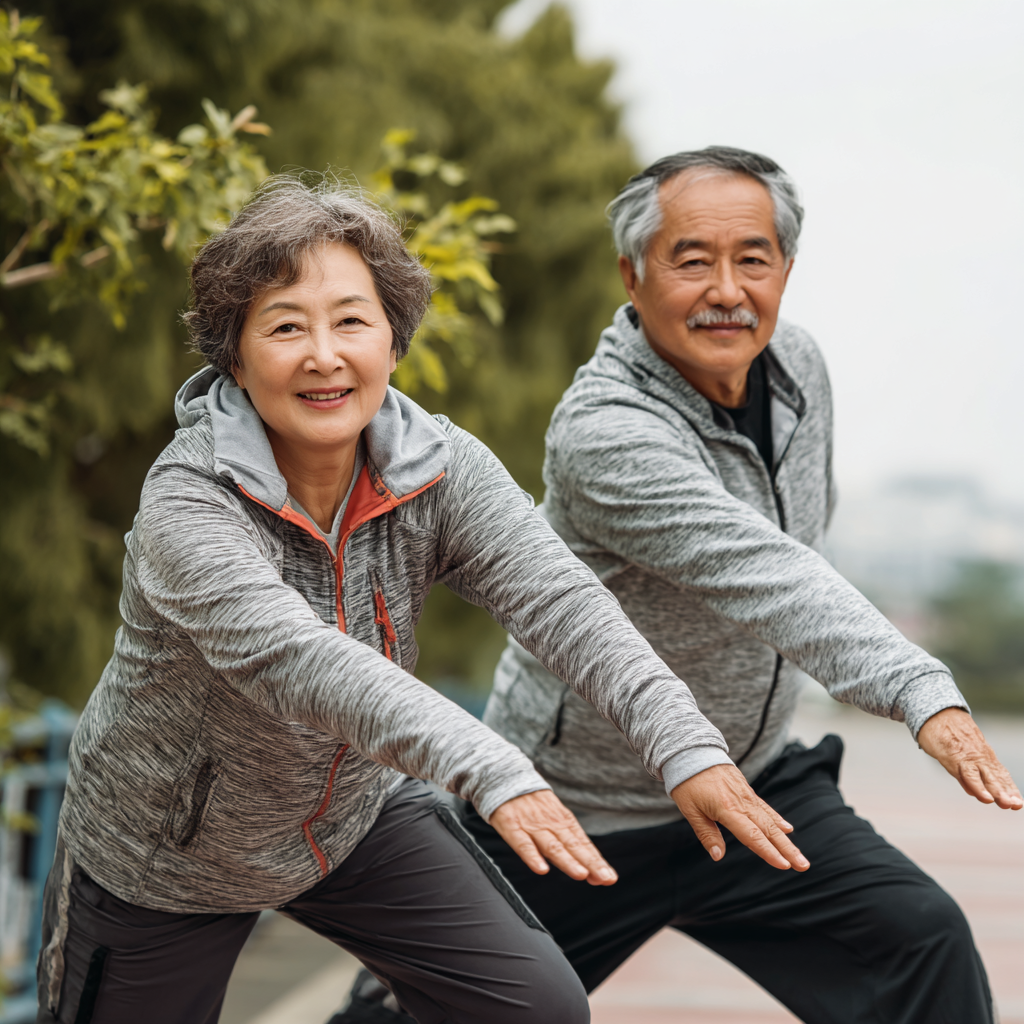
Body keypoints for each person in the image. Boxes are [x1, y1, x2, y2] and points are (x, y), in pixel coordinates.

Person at [35, 175, 810, 1024]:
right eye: (286, 326)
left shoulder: (440, 468)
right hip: (167, 851)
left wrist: (686, 746)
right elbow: (299, 660)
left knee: (537, 1008)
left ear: (393, 344)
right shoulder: (190, 501)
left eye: (352, 321)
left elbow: (562, 602)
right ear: (236, 354)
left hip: (352, 818)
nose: (324, 355)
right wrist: (495, 769)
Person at [338, 148, 1022, 1024]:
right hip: (576, 812)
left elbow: (803, 545)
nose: (727, 290)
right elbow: (766, 574)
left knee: (920, 940)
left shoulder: (800, 373)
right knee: (418, 1015)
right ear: (632, 274)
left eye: (754, 258)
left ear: (786, 269)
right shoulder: (604, 431)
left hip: (755, 787)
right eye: (692, 259)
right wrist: (922, 690)